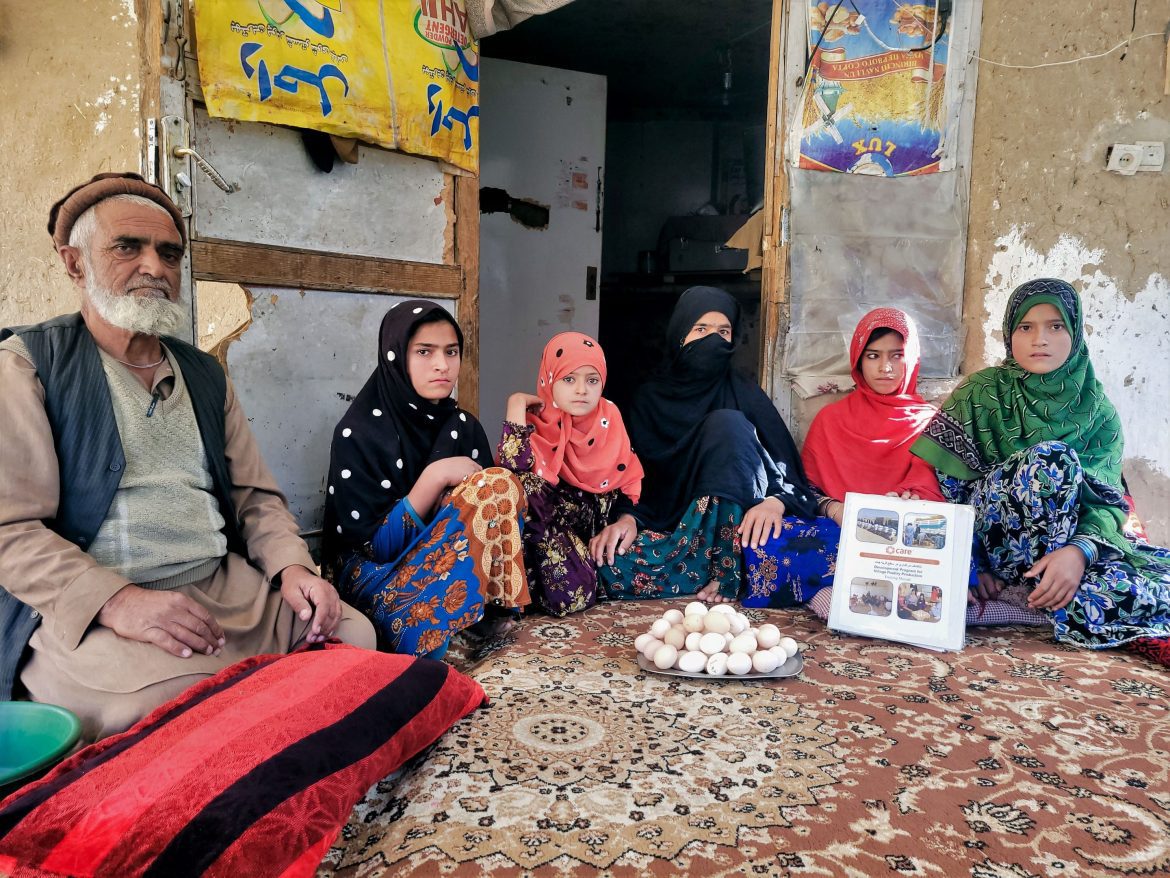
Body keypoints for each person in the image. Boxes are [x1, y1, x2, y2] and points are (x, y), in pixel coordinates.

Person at [0, 173, 375, 742]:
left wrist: (294, 568)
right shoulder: (27, 365)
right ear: (75, 264)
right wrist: (119, 602)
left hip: (223, 592)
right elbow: (11, 531)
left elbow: (256, 498)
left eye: (169, 253)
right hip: (103, 605)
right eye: (129, 246)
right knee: (174, 708)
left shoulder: (203, 374)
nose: (155, 266)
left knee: (350, 634)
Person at [912, 278, 1170, 666]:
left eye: (1056, 326)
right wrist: (968, 565)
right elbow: (947, 487)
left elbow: (1108, 500)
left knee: (1141, 590)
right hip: (990, 540)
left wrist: (1078, 553)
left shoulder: (1098, 410)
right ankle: (1035, 586)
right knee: (1052, 459)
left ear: (1076, 332)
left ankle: (1049, 586)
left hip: (1065, 546)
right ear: (1009, 333)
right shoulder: (982, 392)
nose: (1040, 340)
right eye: (1026, 327)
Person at [743, 307, 1048, 630]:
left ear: (912, 358)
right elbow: (807, 492)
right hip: (842, 531)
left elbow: (945, 496)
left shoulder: (932, 422)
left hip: (909, 534)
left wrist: (909, 505)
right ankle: (893, 591)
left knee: (945, 541)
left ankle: (847, 591)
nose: (885, 368)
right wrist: (834, 508)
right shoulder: (831, 421)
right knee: (770, 541)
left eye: (897, 355)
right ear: (858, 360)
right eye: (873, 356)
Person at [322, 300, 529, 658]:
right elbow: (375, 549)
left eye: (451, 352)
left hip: (439, 562)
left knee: (499, 484)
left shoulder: (463, 427)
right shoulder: (359, 432)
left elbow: (483, 520)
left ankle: (477, 612)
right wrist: (434, 477)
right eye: (424, 352)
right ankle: (438, 624)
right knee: (399, 615)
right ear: (395, 356)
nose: (442, 365)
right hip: (378, 573)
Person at [590, 286, 818, 603]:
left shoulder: (743, 392)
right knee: (599, 563)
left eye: (722, 331)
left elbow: (786, 470)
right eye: (701, 329)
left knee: (729, 425)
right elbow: (632, 471)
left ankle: (726, 572)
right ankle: (705, 570)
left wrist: (774, 503)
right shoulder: (649, 398)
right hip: (668, 525)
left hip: (739, 532)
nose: (712, 339)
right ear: (680, 335)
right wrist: (627, 518)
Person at [498, 332, 643, 616]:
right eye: (568, 379)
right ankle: (535, 587)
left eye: (592, 380)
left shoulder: (610, 418)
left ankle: (544, 588)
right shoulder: (534, 424)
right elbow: (508, 475)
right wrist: (515, 404)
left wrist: (626, 520)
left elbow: (629, 482)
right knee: (521, 485)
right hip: (548, 541)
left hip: (594, 534)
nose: (581, 390)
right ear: (549, 379)